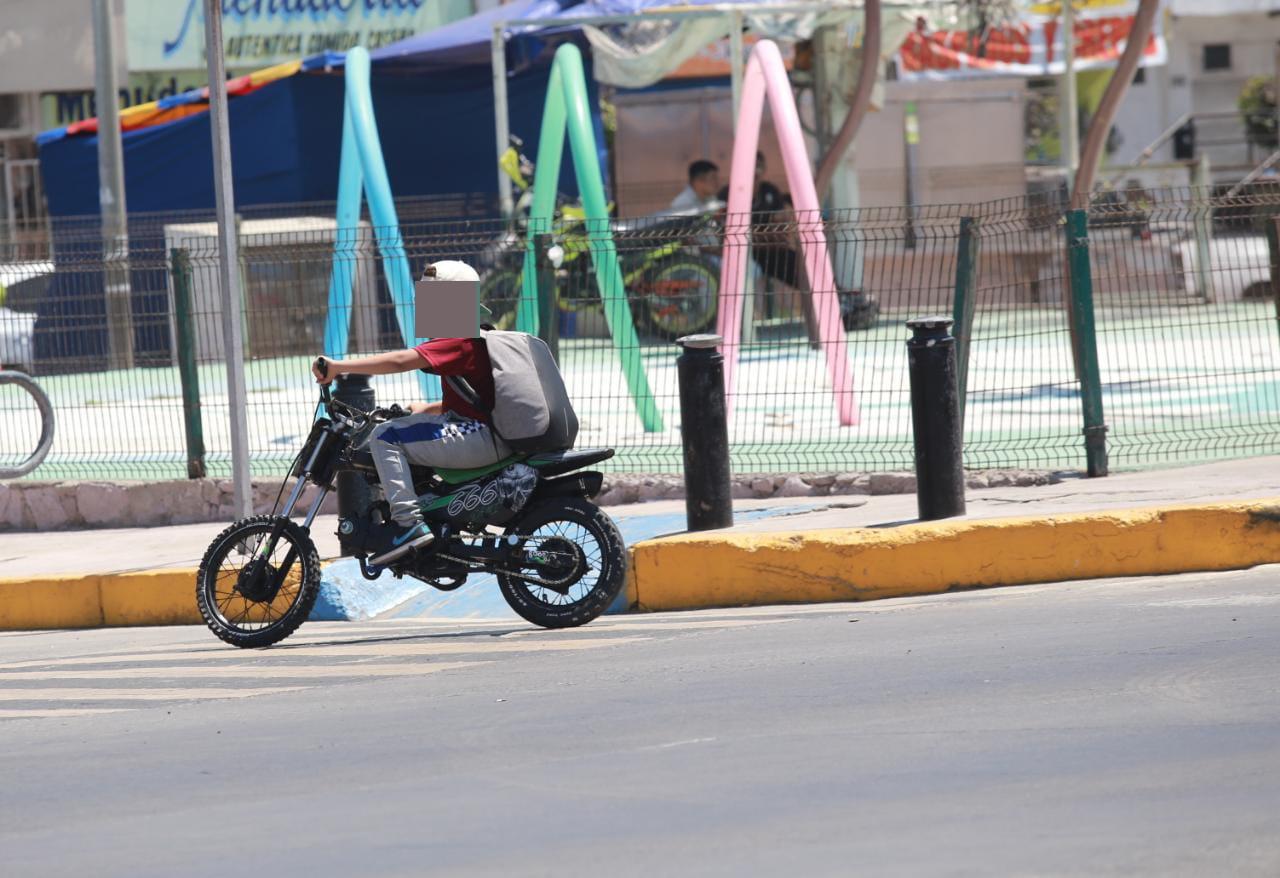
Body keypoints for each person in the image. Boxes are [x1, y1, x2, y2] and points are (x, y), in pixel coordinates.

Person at [311, 260, 509, 564]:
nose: (424, 308)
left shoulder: (460, 339)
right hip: (481, 432)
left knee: (386, 436)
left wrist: (339, 367)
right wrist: (423, 409)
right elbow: (472, 400)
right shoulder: (473, 338)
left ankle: (408, 524)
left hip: (479, 437)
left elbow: (402, 361)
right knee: (408, 427)